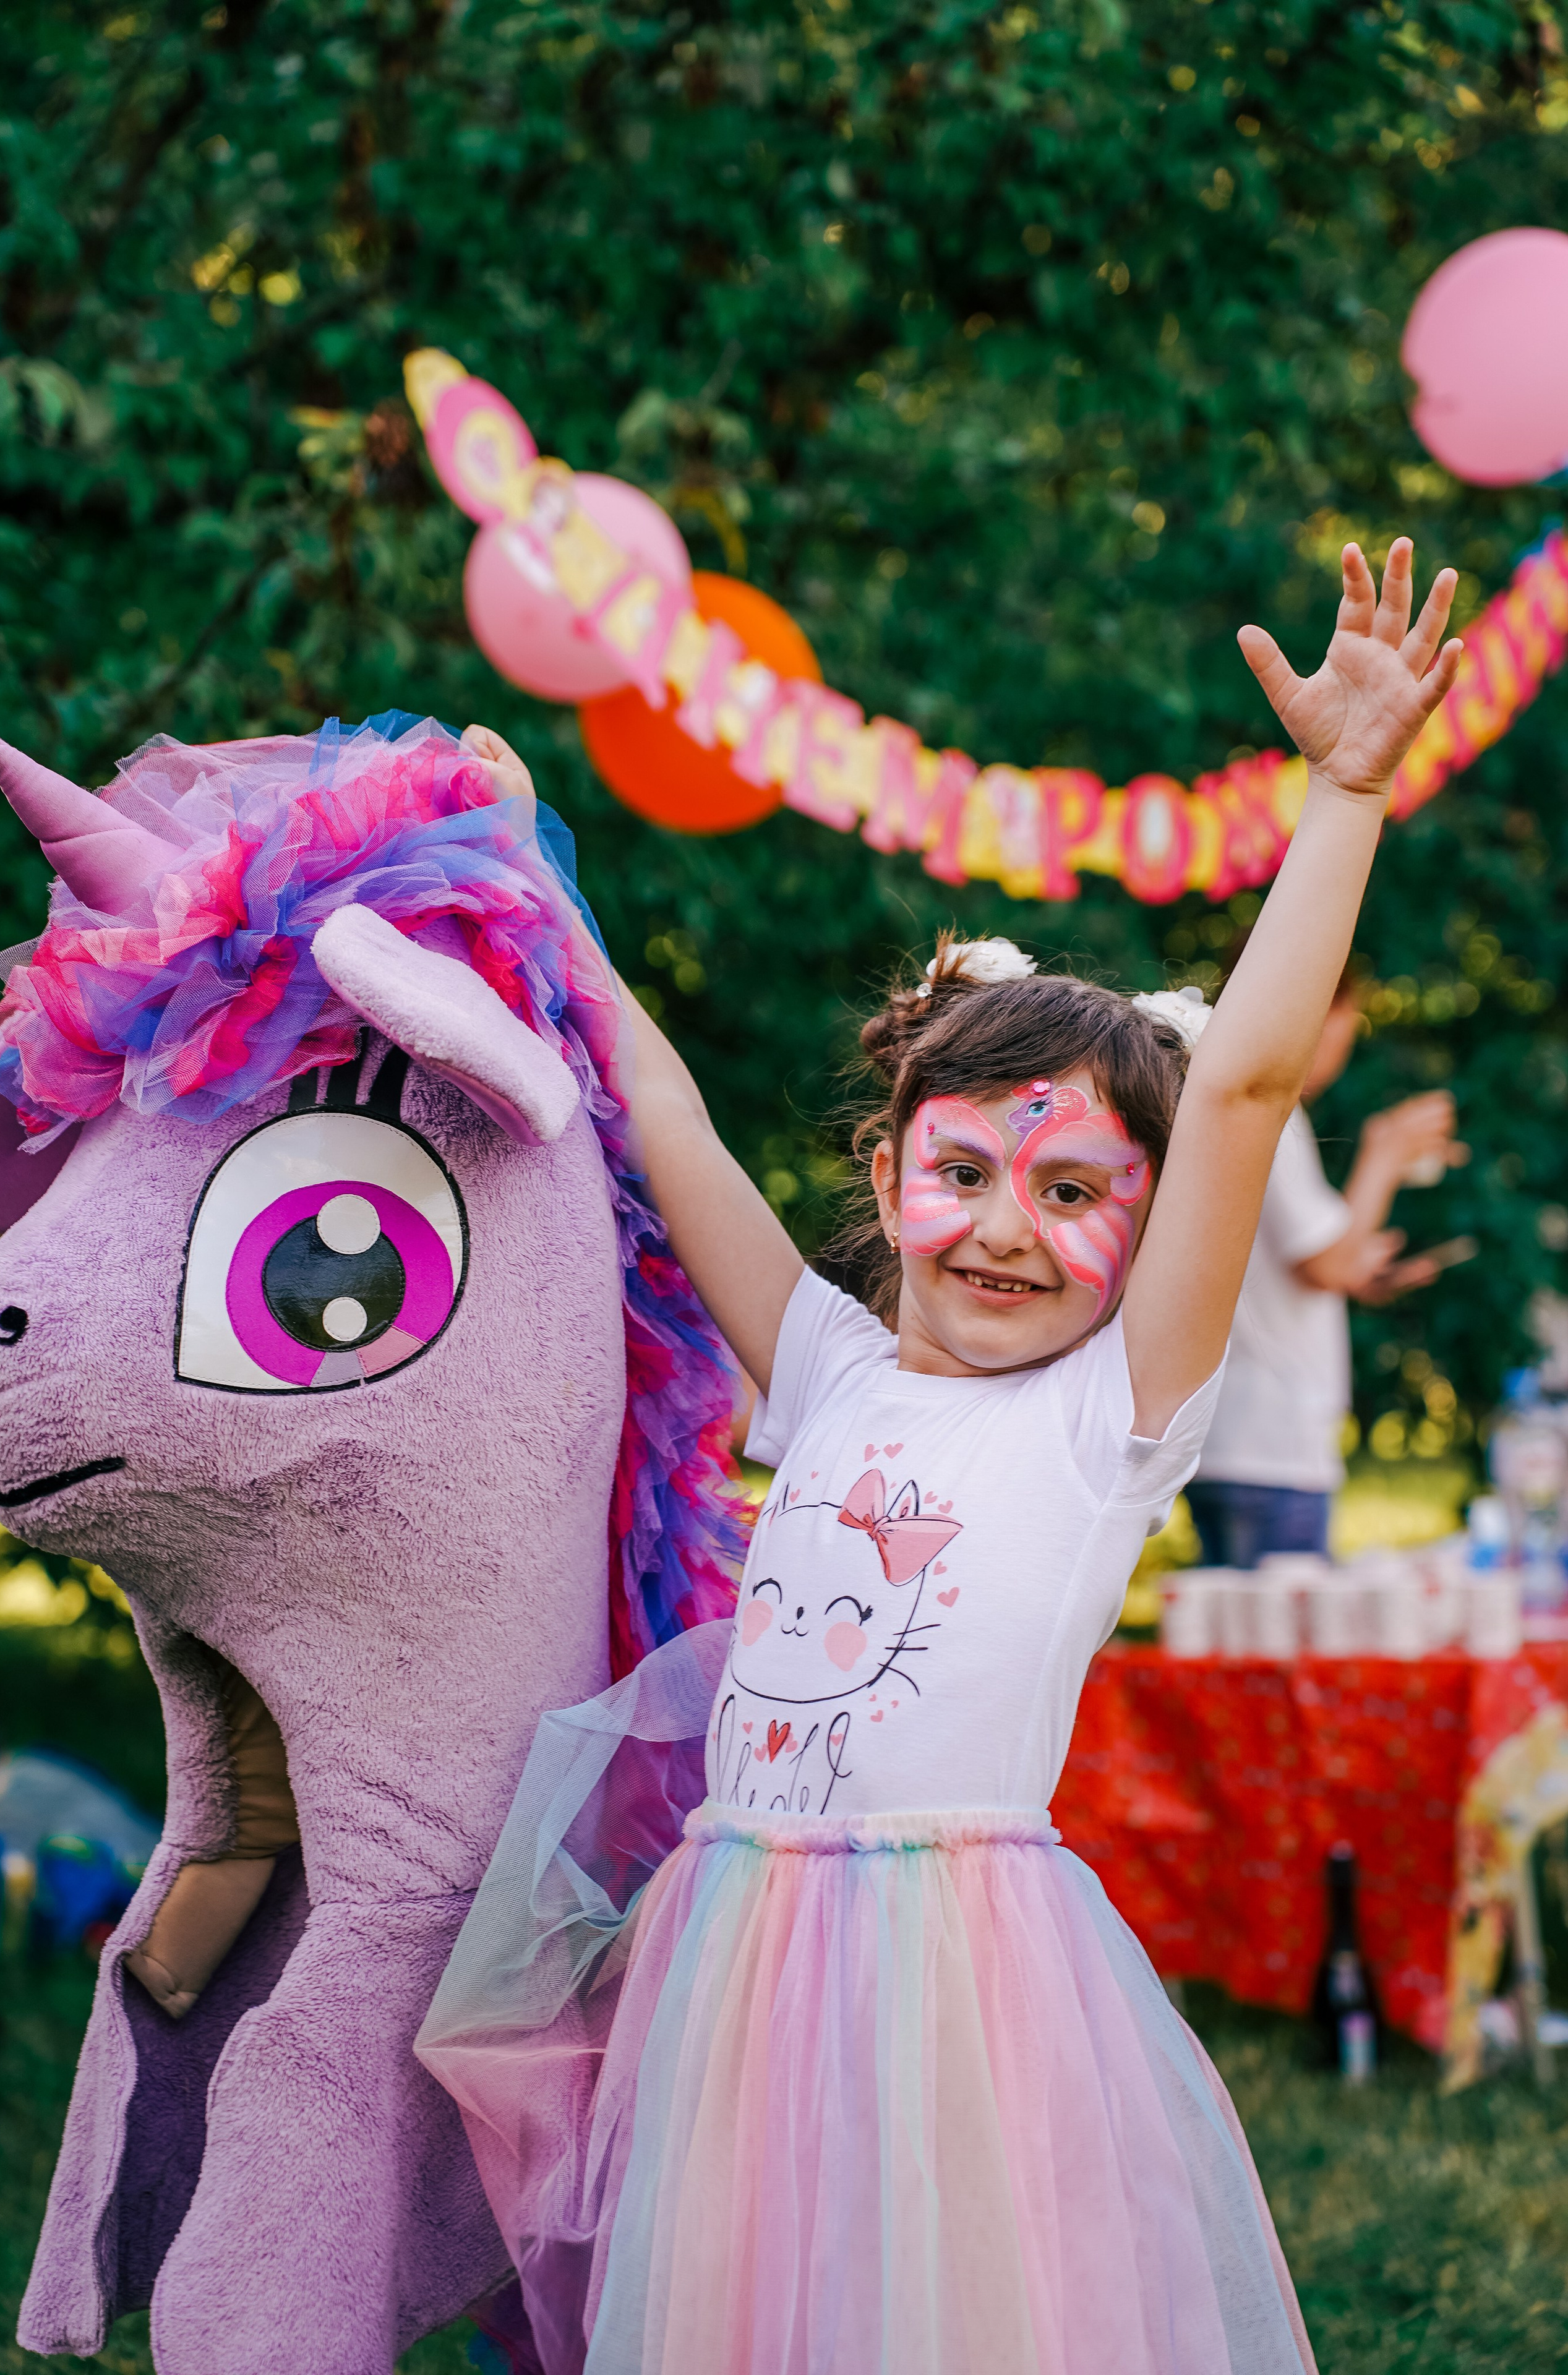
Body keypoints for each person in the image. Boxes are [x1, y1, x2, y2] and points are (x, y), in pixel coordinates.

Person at [419, 539, 1460, 2375]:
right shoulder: (822, 1364)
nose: (1001, 1226)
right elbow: (655, 1102)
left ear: (1143, 1238)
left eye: (1074, 1193)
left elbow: (1233, 1085)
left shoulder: (1107, 1413)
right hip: (735, 1947)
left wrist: (1346, 793)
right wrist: (525, 874)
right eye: (962, 1169)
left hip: (959, 1978)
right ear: (890, 1168)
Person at [1187, 952, 1467, 1567]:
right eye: (1349, 1018)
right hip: (1269, 1447)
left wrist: (1360, 1270)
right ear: (1316, 1010)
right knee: (1274, 1656)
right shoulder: (1270, 1110)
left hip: (1235, 1438)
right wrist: (1385, 1153)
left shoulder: (1229, 1100)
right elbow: (1328, 1264)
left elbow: (1300, 1265)